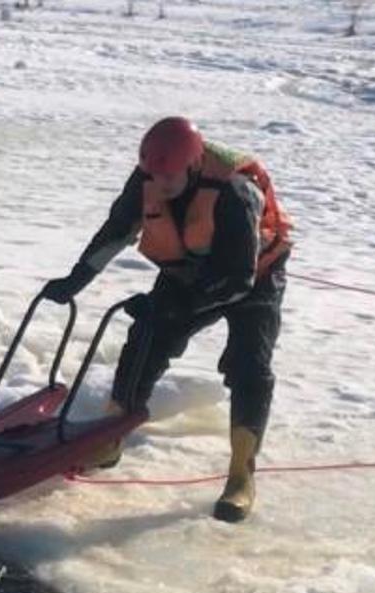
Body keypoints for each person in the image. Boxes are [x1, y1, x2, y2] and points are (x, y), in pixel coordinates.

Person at [39, 116, 293, 522]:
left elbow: (236, 279)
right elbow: (117, 230)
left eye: (170, 177)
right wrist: (75, 280)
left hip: (253, 278)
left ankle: (241, 476)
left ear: (193, 167)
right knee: (145, 340)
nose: (161, 183)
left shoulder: (234, 192)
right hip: (189, 271)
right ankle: (111, 438)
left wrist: (178, 306)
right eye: (153, 174)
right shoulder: (148, 177)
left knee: (249, 366)